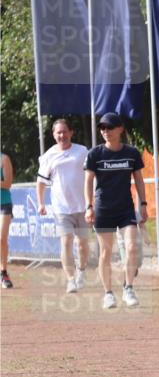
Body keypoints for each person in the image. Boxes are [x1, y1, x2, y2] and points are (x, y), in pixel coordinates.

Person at [84, 113, 146, 309]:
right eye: (102, 128)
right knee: (106, 252)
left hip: (125, 208)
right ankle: (108, 294)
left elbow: (138, 179)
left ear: (120, 129)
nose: (106, 131)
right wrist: (89, 206)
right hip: (103, 209)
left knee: (132, 247)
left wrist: (143, 204)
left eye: (110, 127)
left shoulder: (131, 153)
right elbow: (88, 181)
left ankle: (128, 288)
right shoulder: (95, 154)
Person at [37, 119, 90, 294]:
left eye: (64, 131)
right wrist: (41, 203)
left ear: (71, 132)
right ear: (53, 135)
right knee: (66, 241)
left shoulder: (82, 151)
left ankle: (81, 271)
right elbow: (41, 182)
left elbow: (91, 175)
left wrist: (92, 202)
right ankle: (70, 279)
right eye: (58, 132)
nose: (62, 135)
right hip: (61, 208)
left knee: (82, 244)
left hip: (82, 206)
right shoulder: (49, 156)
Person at [1, 152, 13, 289]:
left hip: (3, 204)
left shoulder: (4, 159)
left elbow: (8, 183)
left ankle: (3, 273)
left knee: (1, 239)